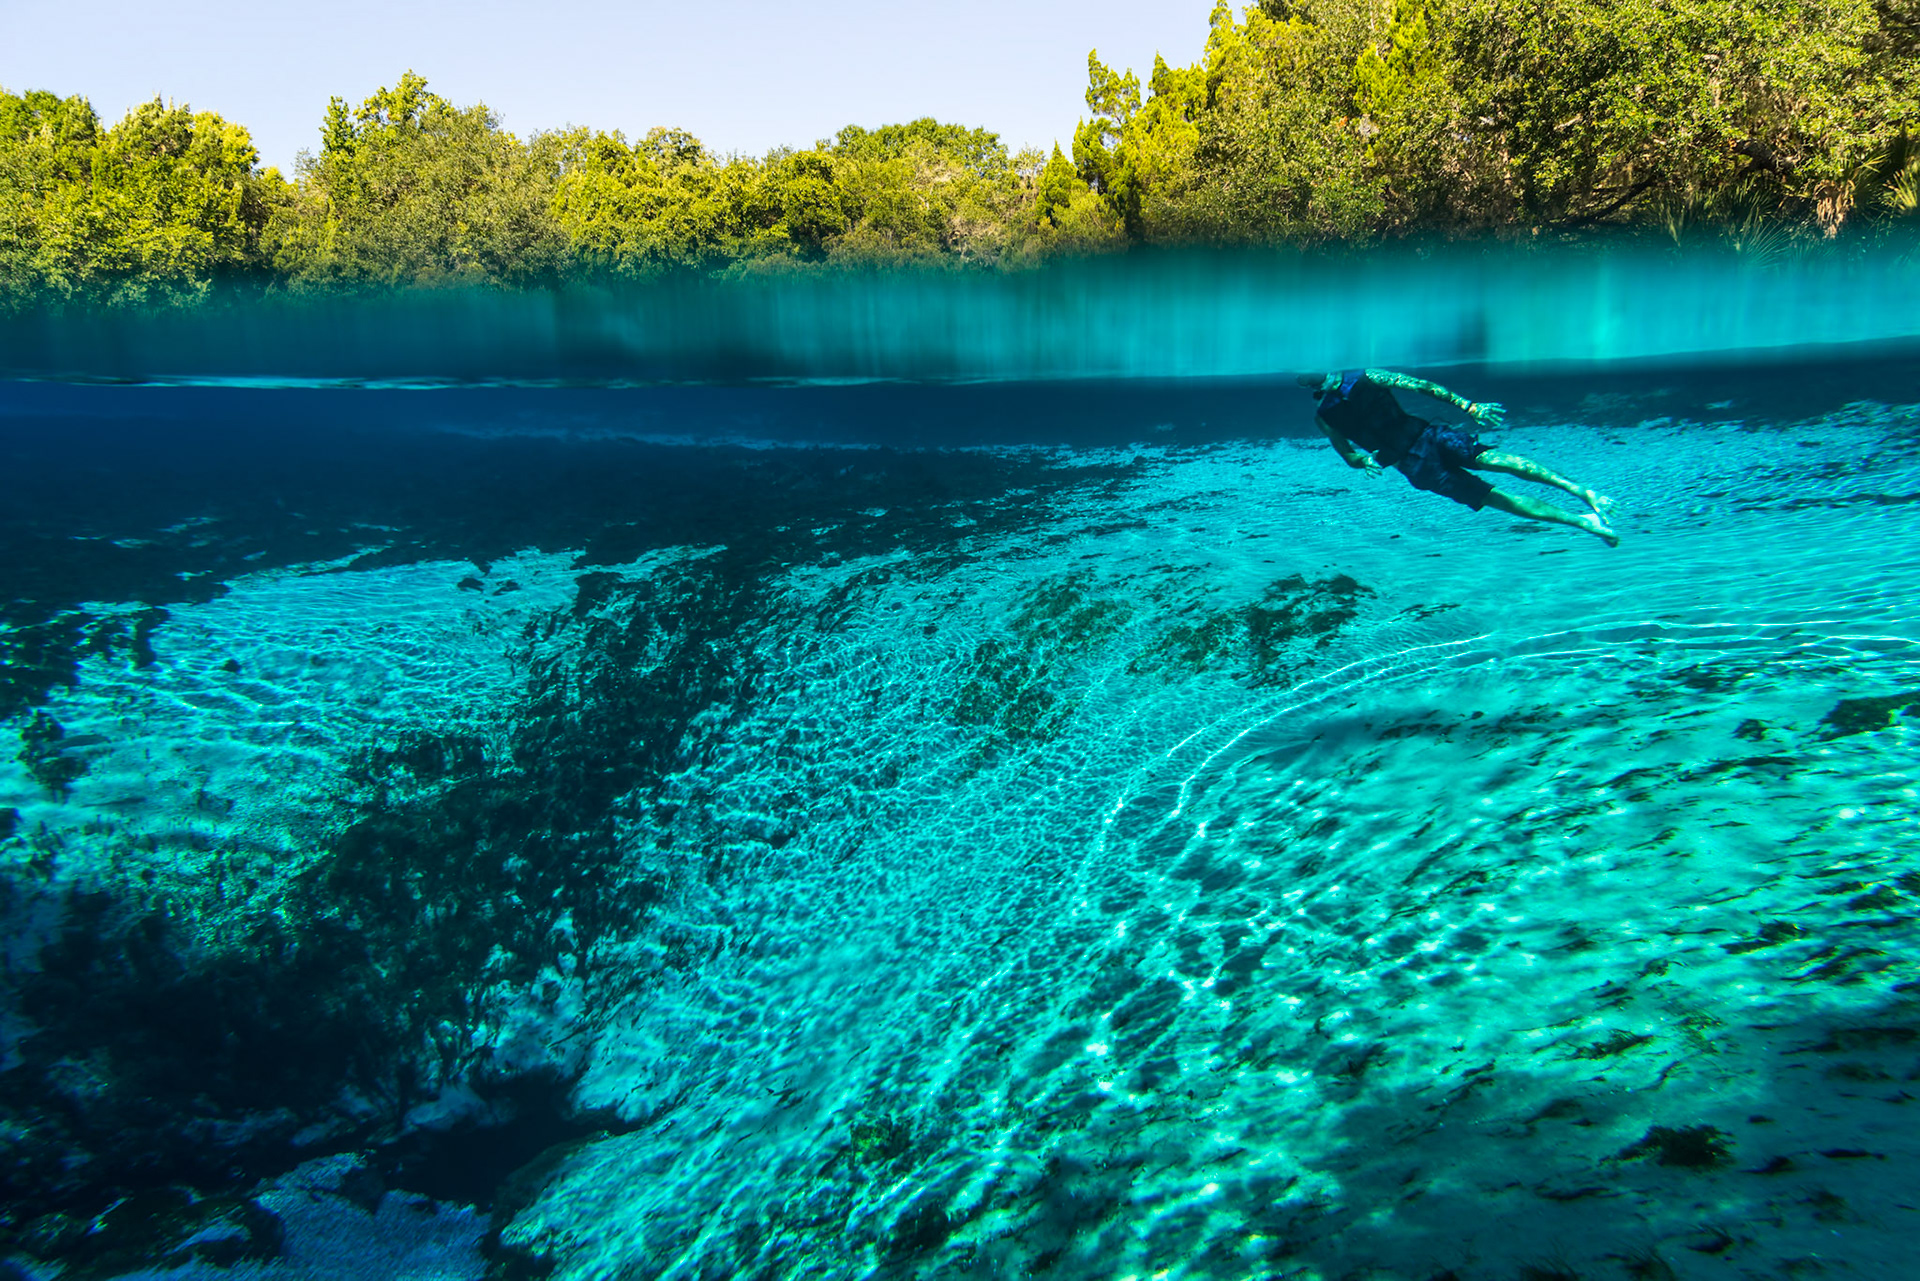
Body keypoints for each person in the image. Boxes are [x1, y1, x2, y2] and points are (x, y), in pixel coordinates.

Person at [1297, 368, 1619, 546]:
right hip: (1415, 464)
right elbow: (1348, 455)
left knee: (1502, 465)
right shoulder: (1327, 415)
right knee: (1496, 496)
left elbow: (1420, 385)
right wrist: (1363, 461)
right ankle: (1585, 520)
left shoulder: (1364, 377)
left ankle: (1583, 494)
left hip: (1430, 440)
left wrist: (1469, 406)